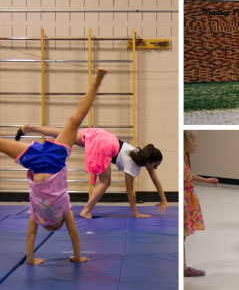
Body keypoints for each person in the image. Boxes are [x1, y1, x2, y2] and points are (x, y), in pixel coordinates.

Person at [1, 68, 106, 265]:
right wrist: (76, 257)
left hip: (35, 161)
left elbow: (32, 237)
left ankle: (96, 83)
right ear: (58, 223)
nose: (50, 226)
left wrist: (31, 260)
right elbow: (74, 235)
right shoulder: (64, 210)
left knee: (74, 121)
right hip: (55, 161)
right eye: (53, 226)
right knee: (74, 121)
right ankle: (96, 84)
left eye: (49, 227)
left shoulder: (36, 214)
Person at [18, 125, 167, 219]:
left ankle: (31, 128)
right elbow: (129, 192)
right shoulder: (133, 165)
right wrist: (136, 213)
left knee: (66, 135)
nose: (155, 169)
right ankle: (86, 210)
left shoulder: (138, 154)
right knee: (105, 182)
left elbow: (155, 179)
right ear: (148, 162)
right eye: (155, 165)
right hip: (106, 146)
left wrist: (164, 199)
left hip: (102, 135)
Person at [183, 130, 218, 276]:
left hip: (188, 195)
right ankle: (183, 268)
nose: (196, 144)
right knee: (181, 234)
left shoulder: (184, 158)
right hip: (184, 198)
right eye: (194, 141)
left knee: (183, 234)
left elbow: (187, 174)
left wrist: (206, 180)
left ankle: (183, 267)